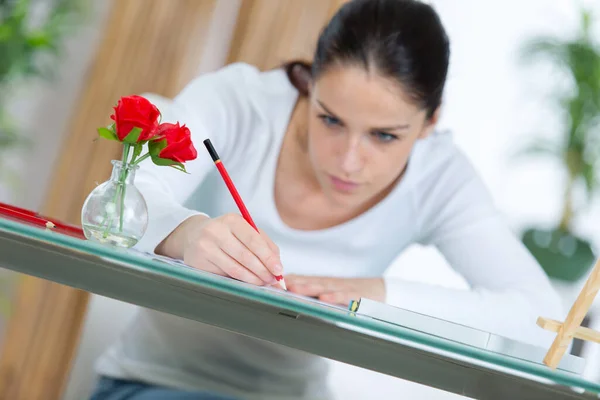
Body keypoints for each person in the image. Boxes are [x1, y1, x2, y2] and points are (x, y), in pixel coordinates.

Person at [90, 0, 563, 399]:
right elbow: (116, 197)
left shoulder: (440, 176)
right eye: (331, 120)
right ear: (311, 84)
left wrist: (377, 294)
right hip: (157, 380)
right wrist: (184, 232)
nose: (348, 162)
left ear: (430, 123)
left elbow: (540, 320)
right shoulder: (242, 102)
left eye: (383, 136)